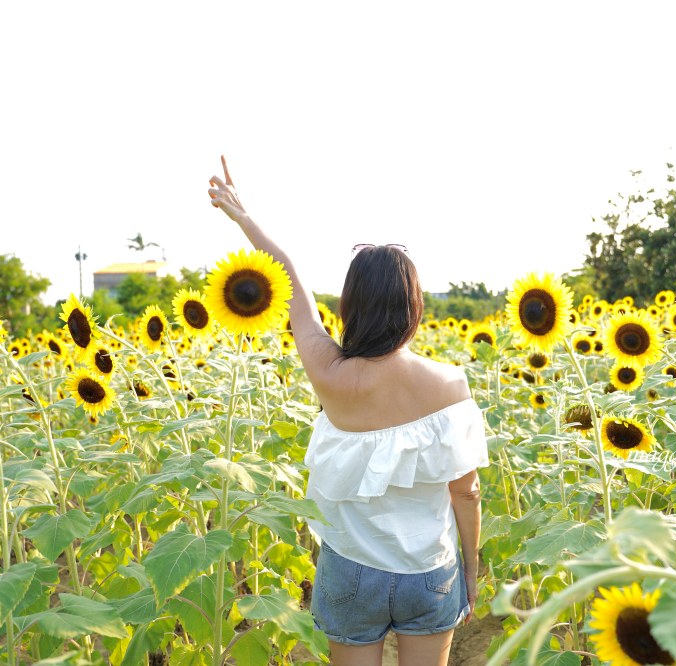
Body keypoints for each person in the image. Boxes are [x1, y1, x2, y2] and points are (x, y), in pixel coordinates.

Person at [209, 158, 488, 666]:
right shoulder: (450, 385)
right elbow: (465, 490)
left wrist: (244, 219)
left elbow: (290, 282)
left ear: (349, 306)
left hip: (350, 569)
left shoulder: (331, 375)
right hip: (429, 569)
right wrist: (470, 567)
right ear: (414, 305)